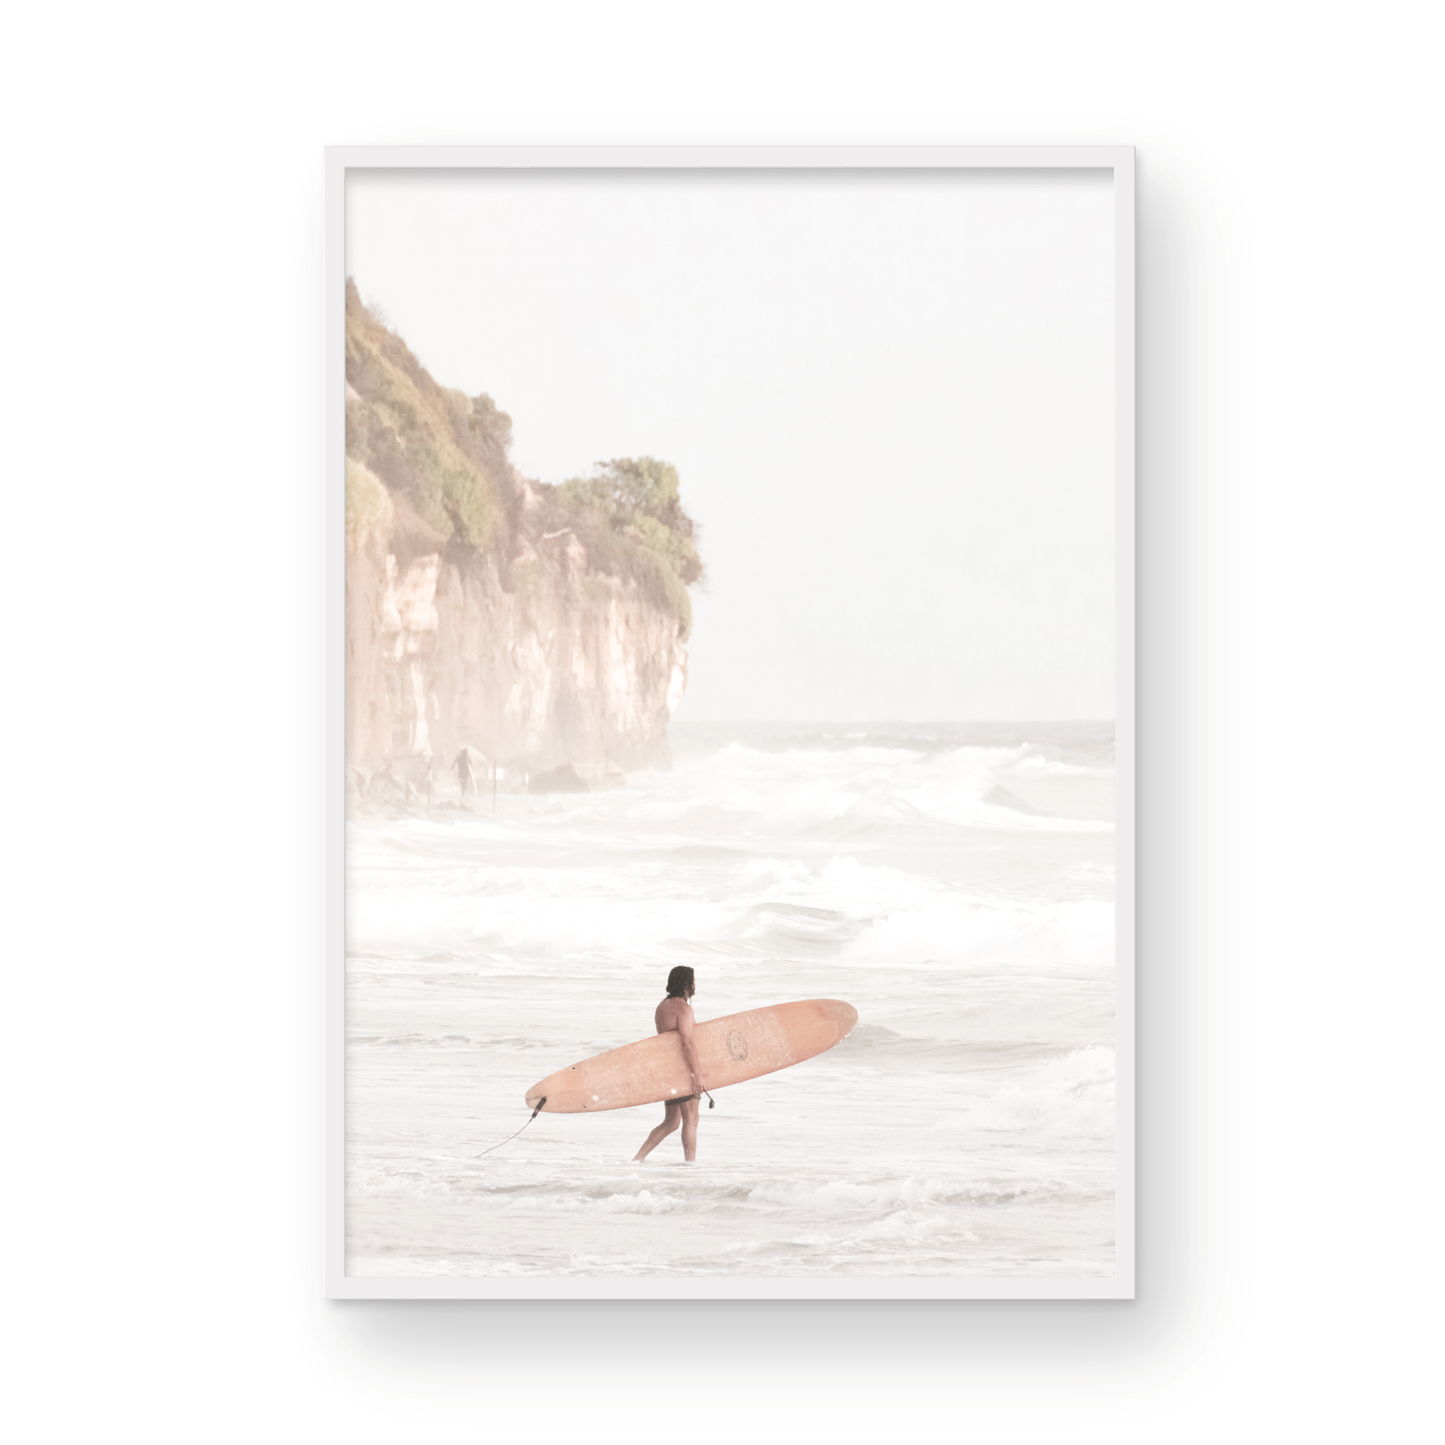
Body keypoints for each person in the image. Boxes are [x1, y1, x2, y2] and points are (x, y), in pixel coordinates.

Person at [632, 965, 705, 1163]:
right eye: (693, 981)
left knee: (671, 1122)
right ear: (687, 984)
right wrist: (696, 1074)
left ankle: (637, 1159)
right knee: (691, 1119)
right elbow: (687, 1043)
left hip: (667, 1069)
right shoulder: (684, 1008)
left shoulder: (662, 1007)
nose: (695, 985)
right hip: (683, 1070)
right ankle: (690, 1164)